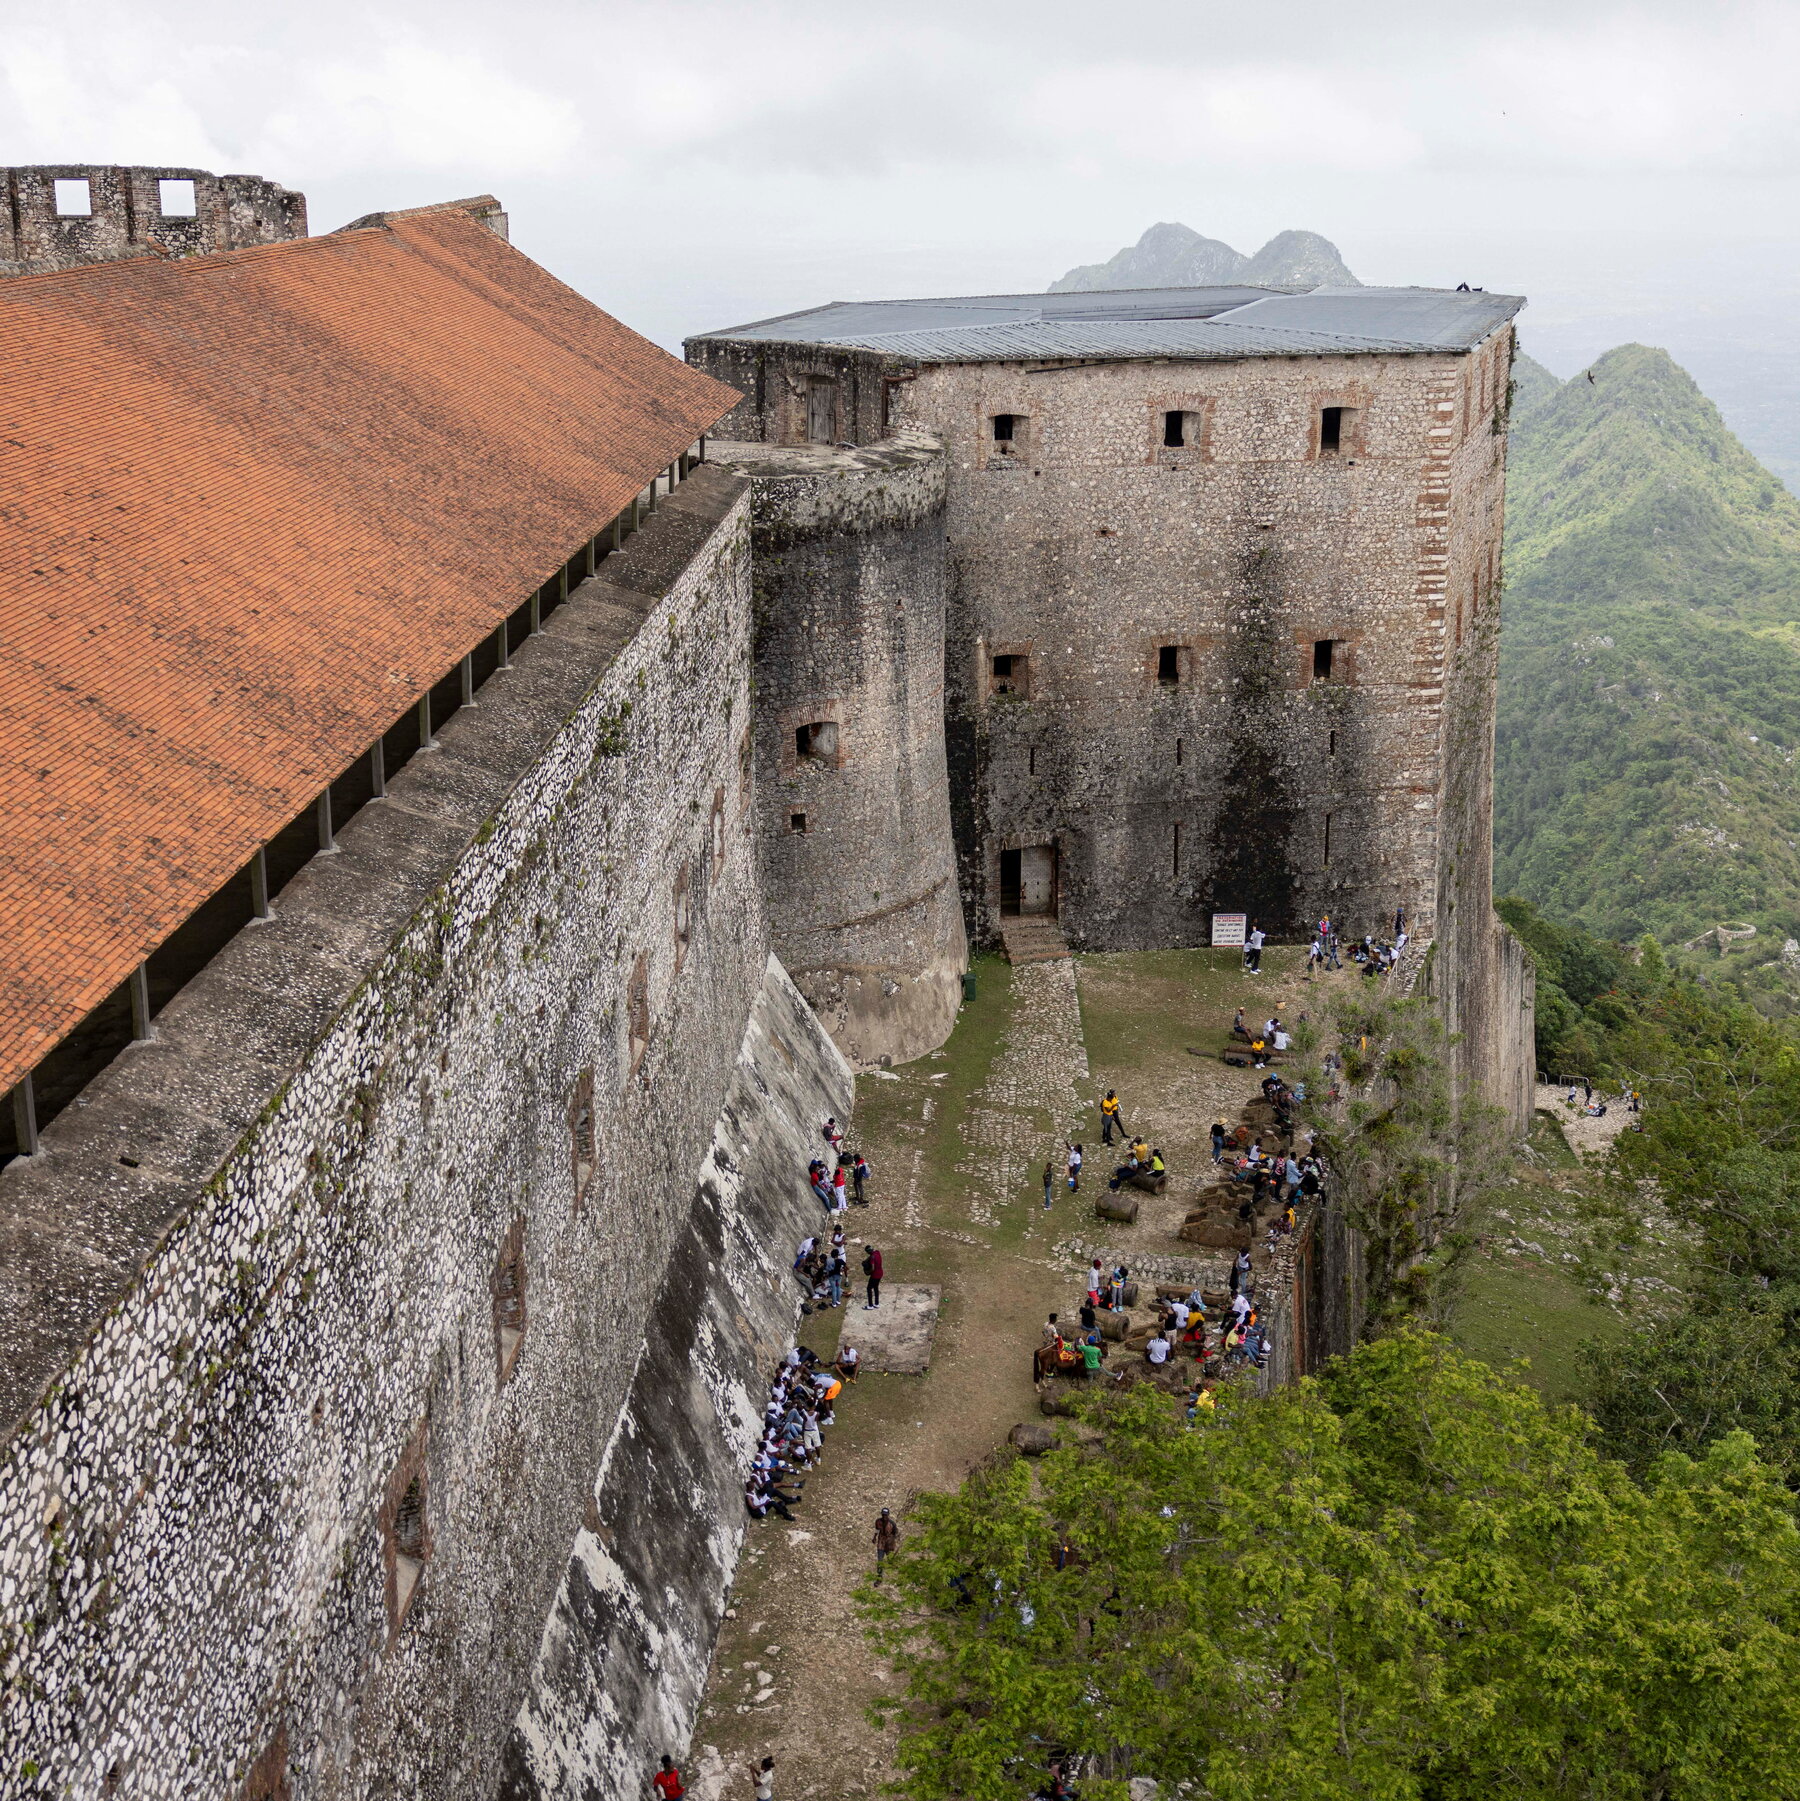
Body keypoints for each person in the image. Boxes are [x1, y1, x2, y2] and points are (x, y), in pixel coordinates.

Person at [873, 1507, 900, 1578]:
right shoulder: (878, 1521)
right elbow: (877, 1529)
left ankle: (895, 1574)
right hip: (881, 1543)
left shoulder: (892, 1524)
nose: (884, 1517)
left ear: (888, 1515)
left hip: (889, 1543)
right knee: (880, 1560)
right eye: (883, 1515)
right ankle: (879, 1576)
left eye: (886, 1515)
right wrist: (874, 1537)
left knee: (890, 1559)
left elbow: (895, 1533)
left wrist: (892, 1541)